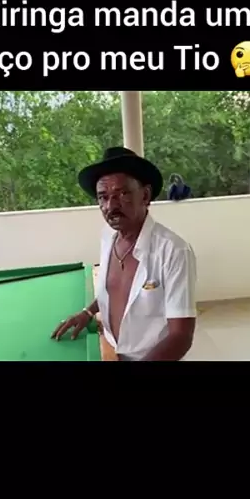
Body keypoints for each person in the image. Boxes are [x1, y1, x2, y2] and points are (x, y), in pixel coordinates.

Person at [52, 147, 197, 361]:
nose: (111, 206)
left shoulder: (174, 251)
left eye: (122, 194)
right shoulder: (108, 237)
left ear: (145, 195)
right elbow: (114, 289)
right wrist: (88, 312)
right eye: (103, 197)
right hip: (112, 351)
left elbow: (181, 336)